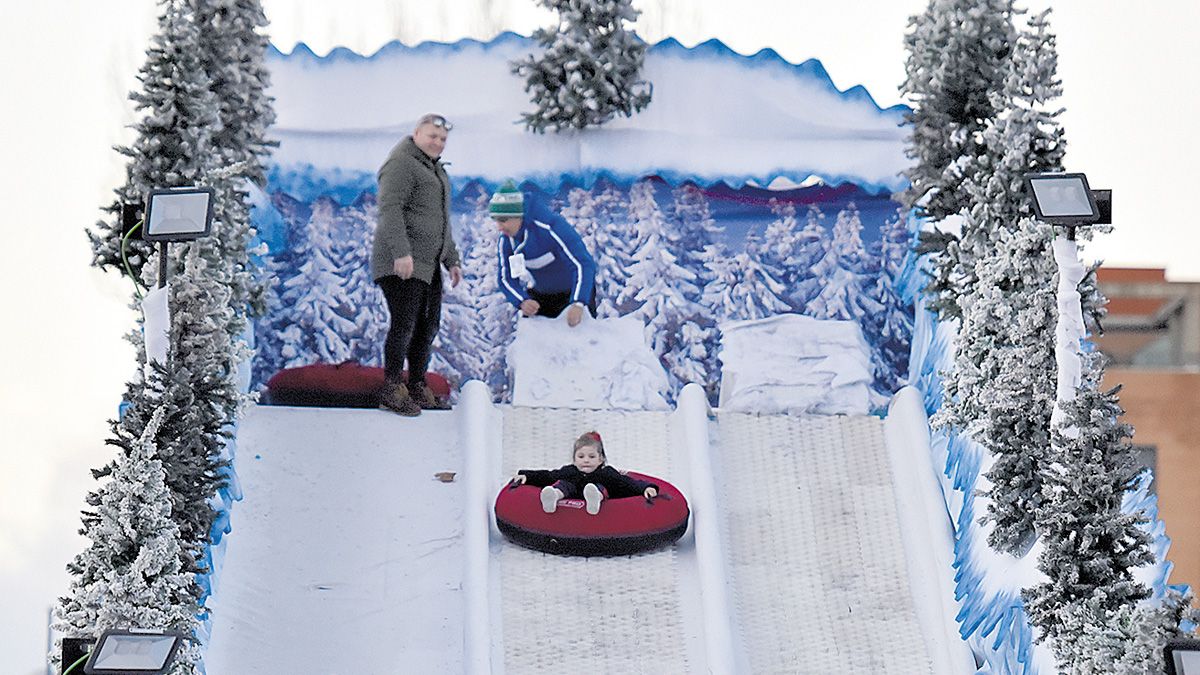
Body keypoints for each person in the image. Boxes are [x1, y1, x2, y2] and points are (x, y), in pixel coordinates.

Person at [372, 113, 463, 416]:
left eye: (442, 139)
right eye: (432, 136)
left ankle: (417, 384)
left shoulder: (436, 172)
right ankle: (392, 387)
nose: (437, 143)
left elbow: (440, 221)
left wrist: (451, 259)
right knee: (405, 324)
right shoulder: (401, 163)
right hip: (403, 262)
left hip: (428, 264)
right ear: (416, 134)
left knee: (428, 326)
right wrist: (401, 252)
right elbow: (389, 209)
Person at [490, 181, 597, 327]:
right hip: (542, 297)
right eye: (496, 220)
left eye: (503, 220)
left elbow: (583, 264)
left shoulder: (551, 227)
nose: (499, 227)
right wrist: (522, 301)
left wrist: (578, 303)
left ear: (518, 216)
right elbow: (506, 278)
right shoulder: (507, 241)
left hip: (574, 293)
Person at [511, 431, 658, 515]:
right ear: (574, 459)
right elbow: (549, 476)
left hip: (597, 491)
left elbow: (627, 483)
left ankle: (594, 498)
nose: (586, 461)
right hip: (571, 492)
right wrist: (527, 475)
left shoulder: (607, 473)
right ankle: (553, 496)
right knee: (563, 484)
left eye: (591, 457)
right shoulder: (570, 471)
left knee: (598, 487)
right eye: (581, 457)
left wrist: (646, 488)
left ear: (601, 459)